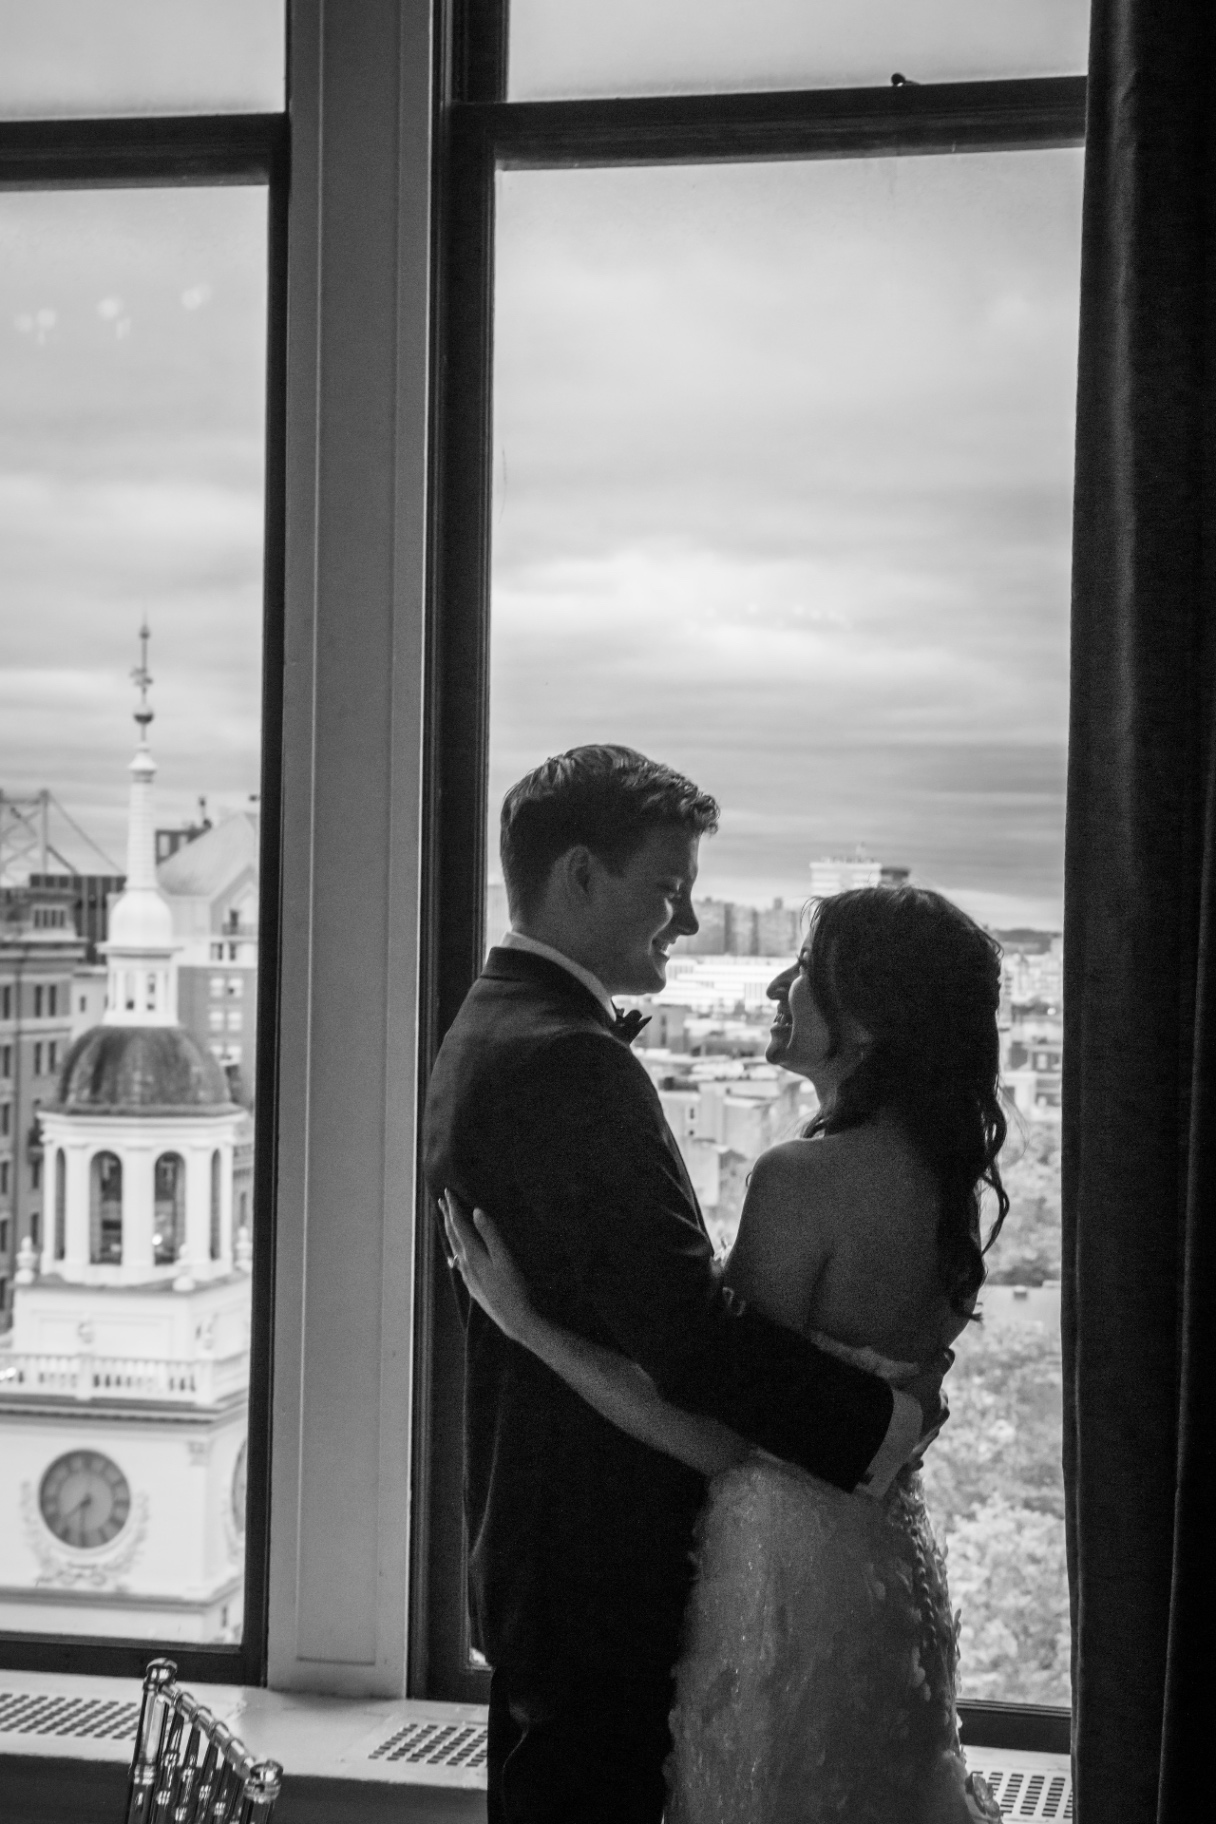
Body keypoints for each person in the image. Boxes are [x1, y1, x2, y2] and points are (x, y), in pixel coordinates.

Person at [422, 746, 948, 1824]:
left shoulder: (494, 1021)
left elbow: (637, 1298)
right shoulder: (569, 1060)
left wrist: (530, 1324)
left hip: (554, 1557)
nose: (691, 921)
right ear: (577, 875)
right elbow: (690, 1338)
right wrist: (881, 1423)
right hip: (597, 1574)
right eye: (667, 889)